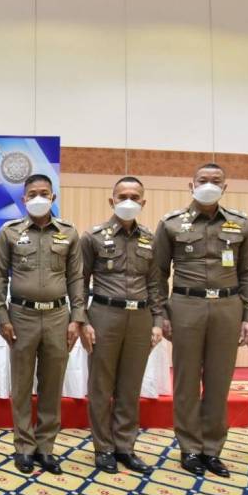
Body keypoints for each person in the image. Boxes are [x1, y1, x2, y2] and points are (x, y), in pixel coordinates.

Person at [154, 163, 248, 477]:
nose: (209, 185)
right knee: (186, 381)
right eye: (203, 180)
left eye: (216, 181)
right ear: (191, 185)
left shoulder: (241, 224)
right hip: (186, 306)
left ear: (225, 187)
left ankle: (212, 450)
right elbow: (158, 273)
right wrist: (161, 313)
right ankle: (189, 448)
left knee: (218, 381)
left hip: (228, 307)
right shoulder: (171, 223)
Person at [0, 174, 88, 475]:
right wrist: (2, 316)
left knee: (52, 383)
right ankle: (24, 446)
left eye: (44, 193)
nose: (38, 198)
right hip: (22, 316)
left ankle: (46, 447)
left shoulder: (68, 232)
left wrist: (77, 318)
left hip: (58, 316)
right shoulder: (9, 232)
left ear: (53, 197)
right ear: (23, 199)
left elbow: (76, 278)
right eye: (32, 193)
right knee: (21, 384)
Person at [80, 177, 164, 474]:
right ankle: (103, 447)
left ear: (143, 202)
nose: (128, 201)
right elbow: (80, 282)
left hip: (140, 317)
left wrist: (157, 321)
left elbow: (156, 284)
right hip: (105, 314)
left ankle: (125, 447)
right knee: (101, 386)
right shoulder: (92, 237)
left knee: (130, 386)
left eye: (134, 196)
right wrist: (82, 320)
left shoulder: (151, 239)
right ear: (111, 200)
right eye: (122, 196)